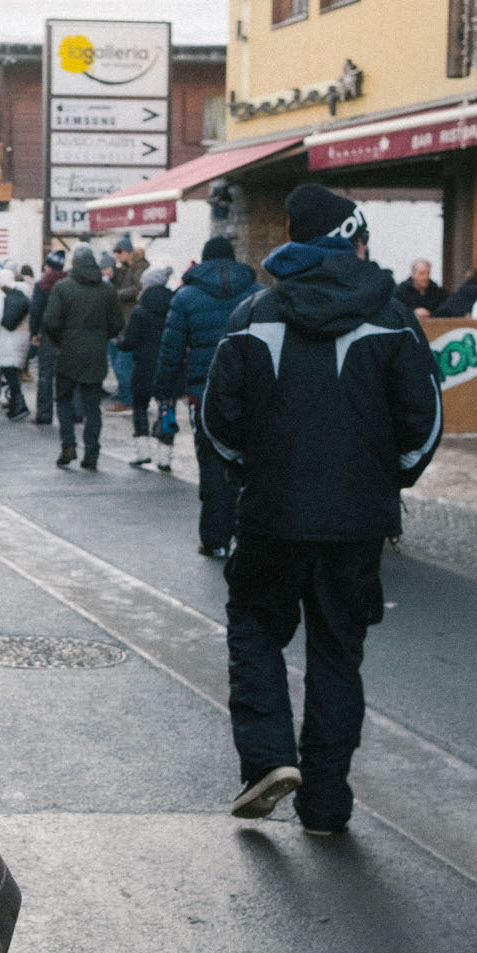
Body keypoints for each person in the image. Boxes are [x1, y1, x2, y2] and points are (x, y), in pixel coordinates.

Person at [203, 183, 442, 834]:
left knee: (256, 627)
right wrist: (385, 481)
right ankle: (327, 803)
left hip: (272, 512)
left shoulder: (253, 315)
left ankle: (268, 759)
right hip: (357, 521)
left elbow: (218, 420)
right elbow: (423, 422)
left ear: (292, 241)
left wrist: (253, 472)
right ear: (353, 242)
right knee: (338, 653)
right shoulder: (392, 317)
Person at [154, 236, 262, 558]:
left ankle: (215, 538)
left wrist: (163, 391)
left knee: (212, 462)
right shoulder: (258, 294)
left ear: (203, 260)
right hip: (251, 394)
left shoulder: (186, 296)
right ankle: (248, 533)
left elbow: (171, 351)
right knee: (252, 462)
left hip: (204, 394)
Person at [42, 244, 124, 469]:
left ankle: (68, 444)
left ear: (74, 263)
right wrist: (101, 336)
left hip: (68, 351)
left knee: (64, 400)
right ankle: (92, 451)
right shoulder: (107, 290)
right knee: (92, 406)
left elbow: (50, 321)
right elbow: (117, 323)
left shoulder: (62, 287)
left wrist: (61, 341)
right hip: (96, 354)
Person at [116, 265, 174, 467]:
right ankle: (165, 458)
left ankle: (143, 452)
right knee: (166, 409)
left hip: (144, 366)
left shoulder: (140, 311)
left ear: (147, 285)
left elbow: (130, 342)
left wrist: (119, 342)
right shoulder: (174, 307)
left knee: (140, 406)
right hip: (167, 365)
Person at [108, 235, 151, 411]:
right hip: (124, 323)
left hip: (131, 322)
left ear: (127, 252)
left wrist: (117, 294)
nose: (117, 256)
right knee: (122, 364)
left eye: (119, 253)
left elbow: (137, 289)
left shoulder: (139, 268)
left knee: (123, 365)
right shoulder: (126, 268)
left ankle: (127, 400)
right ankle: (126, 396)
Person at [29, 250, 67, 423]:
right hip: (67, 335)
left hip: (48, 335)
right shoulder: (69, 283)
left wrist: (34, 333)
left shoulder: (42, 285)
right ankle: (73, 413)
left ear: (48, 267)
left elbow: (35, 311)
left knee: (45, 375)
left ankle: (44, 414)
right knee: (68, 375)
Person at [0, 267, 33, 421]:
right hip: (23, 337)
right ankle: (14, 406)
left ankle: (20, 405)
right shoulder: (26, 290)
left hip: (6, 337)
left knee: (9, 371)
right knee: (15, 373)